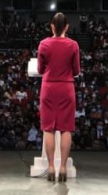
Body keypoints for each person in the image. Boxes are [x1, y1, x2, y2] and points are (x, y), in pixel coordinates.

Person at [37, 12, 81, 182]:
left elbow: (40, 70)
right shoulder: (73, 45)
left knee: (48, 128)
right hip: (66, 87)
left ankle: (50, 167)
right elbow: (76, 70)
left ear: (52, 27)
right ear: (67, 27)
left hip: (48, 87)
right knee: (66, 128)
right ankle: (63, 167)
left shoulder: (43, 44)